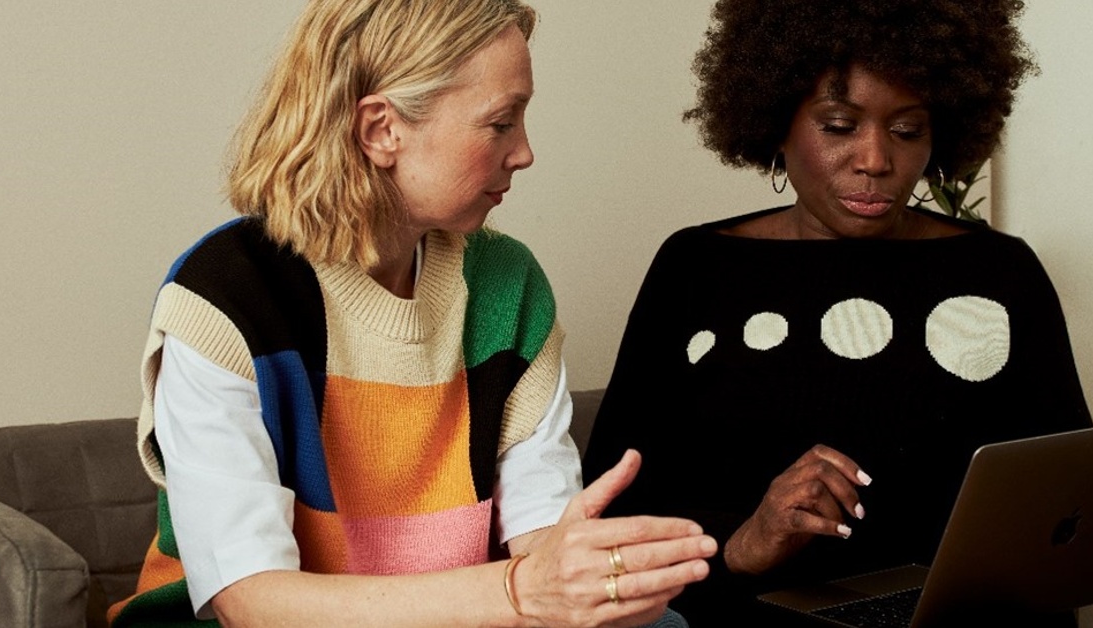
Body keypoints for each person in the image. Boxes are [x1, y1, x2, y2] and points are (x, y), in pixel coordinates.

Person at [580, 0, 1093, 625]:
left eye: (907, 130)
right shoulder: (697, 270)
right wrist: (744, 543)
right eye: (839, 126)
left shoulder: (1000, 271)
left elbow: (1064, 522)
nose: (876, 160)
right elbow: (607, 515)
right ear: (775, 117)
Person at [106, 1, 715, 626]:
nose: (525, 152)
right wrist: (522, 592)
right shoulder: (225, 294)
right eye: (501, 122)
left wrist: (591, 581)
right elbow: (251, 603)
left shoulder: (510, 284)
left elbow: (540, 552)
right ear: (381, 130)